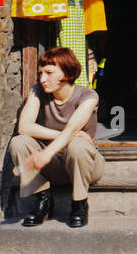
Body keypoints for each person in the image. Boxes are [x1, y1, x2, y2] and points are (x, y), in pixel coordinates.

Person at [8, 47, 105, 229]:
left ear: (67, 72)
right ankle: (42, 199)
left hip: (85, 165)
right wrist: (61, 140)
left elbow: (72, 129)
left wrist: (52, 148)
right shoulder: (38, 91)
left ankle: (79, 203)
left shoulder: (88, 96)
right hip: (52, 165)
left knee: (77, 145)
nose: (43, 79)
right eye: (41, 73)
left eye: (49, 73)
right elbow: (24, 127)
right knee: (18, 142)